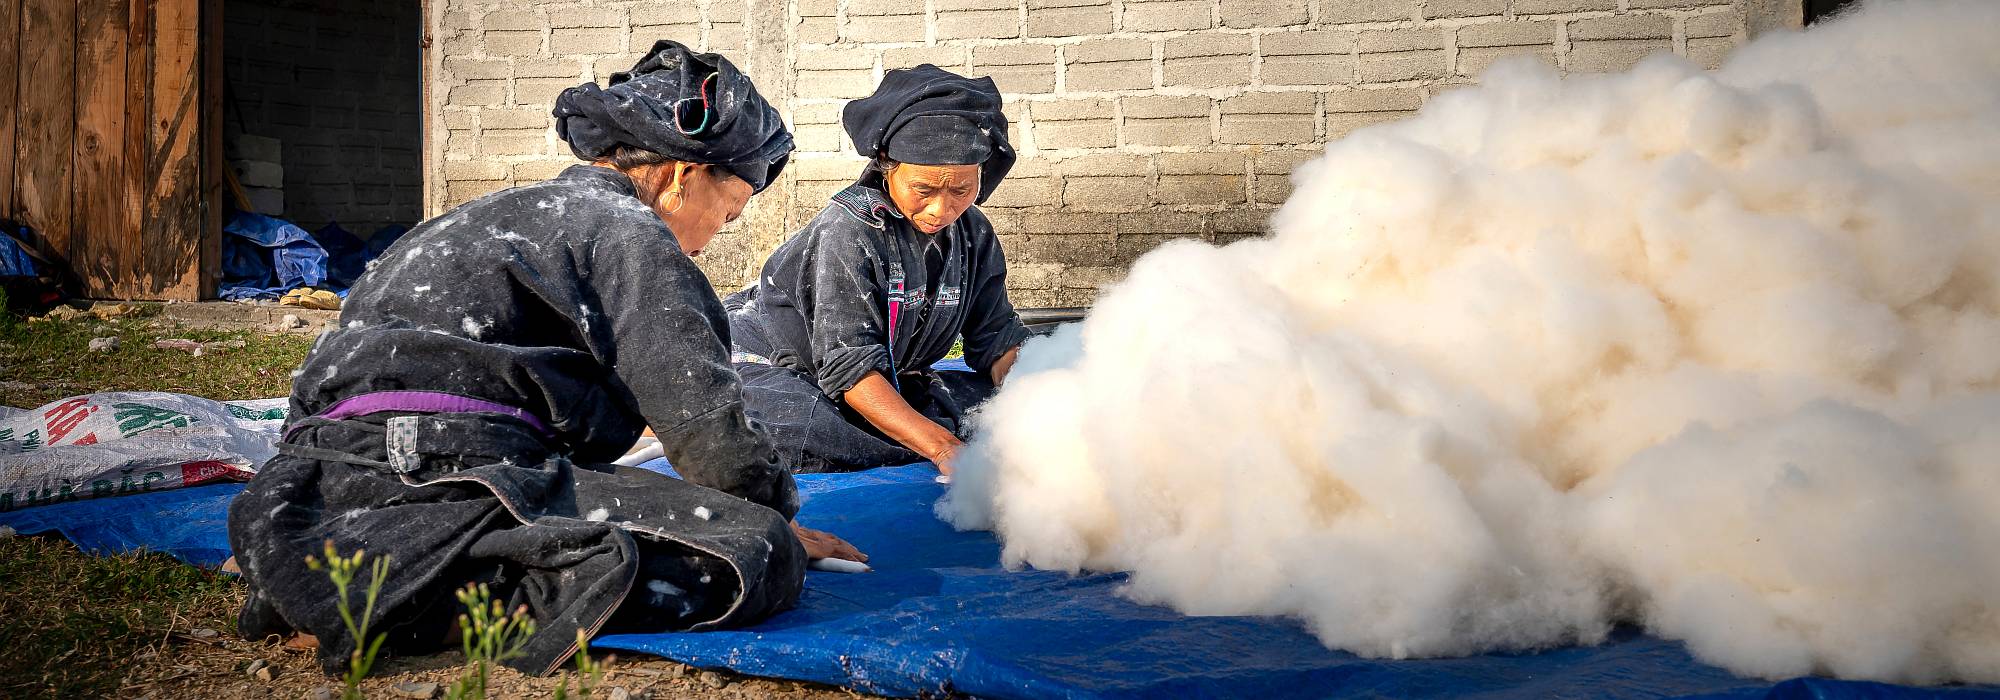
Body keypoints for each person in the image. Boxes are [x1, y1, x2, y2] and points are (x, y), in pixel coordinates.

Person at [226, 41, 862, 678]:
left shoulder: (475, 217)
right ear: (680, 177)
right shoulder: (628, 231)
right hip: (453, 466)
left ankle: (344, 560)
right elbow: (707, 423)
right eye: (730, 210)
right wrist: (768, 516)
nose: (720, 229)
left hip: (315, 475)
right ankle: (412, 603)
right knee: (760, 554)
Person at [725, 65, 1033, 474]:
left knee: (987, 411)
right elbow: (851, 369)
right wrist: (941, 448)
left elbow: (996, 338)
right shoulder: (849, 230)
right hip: (774, 367)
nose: (942, 209)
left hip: (882, 377)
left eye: (961, 189)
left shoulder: (974, 234)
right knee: (805, 431)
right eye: (923, 189)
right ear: (888, 166)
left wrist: (1030, 405)